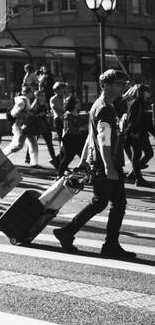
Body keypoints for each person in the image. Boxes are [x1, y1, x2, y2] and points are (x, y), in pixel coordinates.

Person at [53, 70, 136, 259]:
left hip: (105, 162)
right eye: (119, 84)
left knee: (109, 203)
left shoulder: (102, 106)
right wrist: (108, 167)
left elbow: (91, 138)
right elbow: (102, 139)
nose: (122, 87)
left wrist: (84, 160)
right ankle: (76, 234)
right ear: (105, 85)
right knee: (106, 203)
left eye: (123, 84)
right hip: (107, 164)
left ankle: (103, 242)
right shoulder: (104, 109)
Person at [122, 84, 152, 187]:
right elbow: (131, 120)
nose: (149, 93)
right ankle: (138, 179)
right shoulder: (135, 103)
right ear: (142, 92)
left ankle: (134, 173)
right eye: (147, 91)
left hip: (142, 133)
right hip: (136, 133)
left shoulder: (143, 103)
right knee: (137, 155)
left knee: (149, 153)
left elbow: (148, 123)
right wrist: (134, 132)